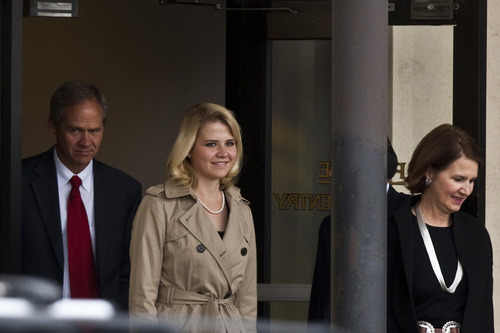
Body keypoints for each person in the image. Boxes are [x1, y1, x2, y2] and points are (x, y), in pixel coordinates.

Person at [129, 103, 257, 332]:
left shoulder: (241, 209)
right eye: (211, 144)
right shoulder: (159, 204)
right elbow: (142, 296)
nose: (223, 153)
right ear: (188, 149)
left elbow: (247, 299)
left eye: (230, 143)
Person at [21, 80, 142, 310]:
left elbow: (128, 273)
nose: (87, 142)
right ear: (52, 128)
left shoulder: (125, 190)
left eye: (94, 131)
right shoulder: (18, 182)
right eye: (75, 130)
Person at [387, 124, 494, 332]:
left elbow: (483, 316)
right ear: (429, 172)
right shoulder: (394, 230)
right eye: (458, 179)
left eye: (472, 181)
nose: (466, 190)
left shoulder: (476, 235)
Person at [308, 138, 411, 326]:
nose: (330, 172)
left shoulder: (409, 215)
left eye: (339, 163)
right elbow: (321, 302)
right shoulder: (330, 226)